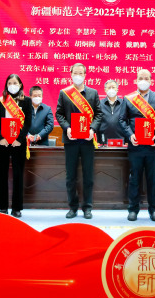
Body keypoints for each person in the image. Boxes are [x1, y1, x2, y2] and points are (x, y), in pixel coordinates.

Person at [119, 69, 155, 221]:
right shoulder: (128, 98)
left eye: (146, 78)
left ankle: (154, 210)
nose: (143, 80)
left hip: (153, 146)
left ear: (151, 80)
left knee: (153, 179)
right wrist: (130, 135)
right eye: (140, 78)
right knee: (135, 179)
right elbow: (122, 120)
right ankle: (133, 209)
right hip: (135, 146)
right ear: (136, 80)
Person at [55, 63, 103, 219]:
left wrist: (92, 129)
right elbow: (59, 114)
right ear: (71, 74)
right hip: (71, 140)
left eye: (80, 73)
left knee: (88, 176)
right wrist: (67, 128)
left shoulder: (93, 93)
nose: (78, 75)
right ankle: (73, 207)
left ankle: (87, 207)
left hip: (87, 140)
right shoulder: (64, 93)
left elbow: (98, 114)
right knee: (71, 176)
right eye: (75, 73)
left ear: (85, 75)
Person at [0, 74, 33, 217]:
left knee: (18, 175)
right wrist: (0, 138)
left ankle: (17, 208)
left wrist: (20, 139)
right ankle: (2, 207)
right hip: (2, 143)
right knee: (1, 175)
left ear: (20, 85)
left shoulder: (26, 101)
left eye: (15, 83)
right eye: (9, 83)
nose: (12, 85)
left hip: (18, 143)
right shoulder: (1, 100)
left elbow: (28, 122)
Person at [98, 79, 127, 145]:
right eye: (109, 87)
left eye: (113, 87)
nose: (111, 89)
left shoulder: (124, 103)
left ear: (117, 89)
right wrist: (97, 140)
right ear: (105, 90)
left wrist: (127, 141)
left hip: (121, 140)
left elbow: (127, 122)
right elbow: (97, 122)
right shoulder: (99, 104)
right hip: (103, 141)